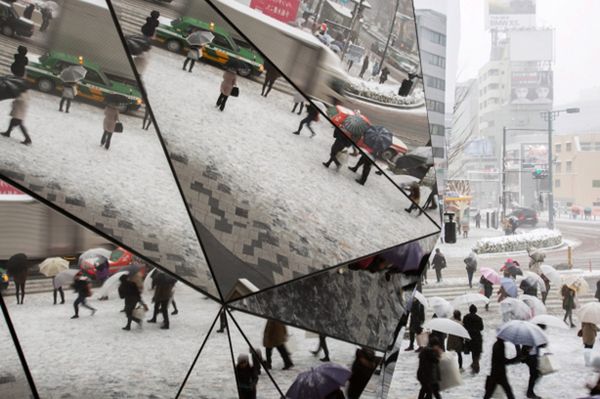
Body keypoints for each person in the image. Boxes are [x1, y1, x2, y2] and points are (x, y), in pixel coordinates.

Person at [463, 304, 483, 374]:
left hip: (469, 337)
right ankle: (476, 365)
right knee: (476, 352)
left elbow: (464, 326)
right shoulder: (479, 318)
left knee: (473, 352)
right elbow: (481, 328)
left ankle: (474, 364)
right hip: (477, 337)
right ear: (476, 310)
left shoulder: (466, 317)